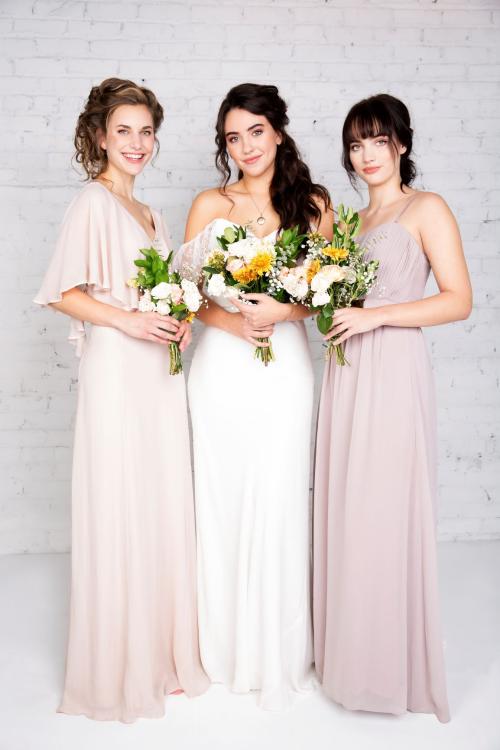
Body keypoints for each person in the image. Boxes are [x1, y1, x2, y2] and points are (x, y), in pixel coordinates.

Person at [34, 77, 208, 722]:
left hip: (157, 373)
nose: (136, 143)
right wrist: (129, 322)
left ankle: (158, 656)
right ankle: (117, 667)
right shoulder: (93, 202)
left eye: (145, 131)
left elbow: (158, 293)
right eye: (123, 131)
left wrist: (179, 318)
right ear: (99, 138)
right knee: (120, 497)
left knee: (157, 498)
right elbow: (62, 293)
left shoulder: (151, 214)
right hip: (117, 368)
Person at [313, 93, 472, 723]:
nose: (366, 154)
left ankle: (386, 669)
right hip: (347, 374)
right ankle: (347, 657)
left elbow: (458, 300)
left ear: (401, 144)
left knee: (384, 507)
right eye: (355, 144)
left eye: (377, 140)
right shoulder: (349, 224)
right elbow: (323, 296)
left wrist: (373, 315)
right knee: (348, 506)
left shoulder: (425, 208)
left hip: (394, 369)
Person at [175, 82, 333, 710]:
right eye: (232, 138)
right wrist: (237, 320)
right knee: (222, 492)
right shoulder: (209, 203)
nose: (245, 148)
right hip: (220, 369)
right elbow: (187, 296)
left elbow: (324, 297)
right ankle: (224, 644)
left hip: (285, 366)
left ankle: (279, 647)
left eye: (255, 132)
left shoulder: (313, 203)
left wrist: (282, 308)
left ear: (279, 131)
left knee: (281, 489)